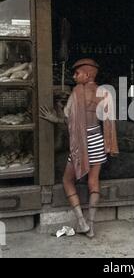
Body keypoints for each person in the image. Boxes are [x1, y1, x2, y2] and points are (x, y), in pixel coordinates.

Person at [40, 58, 119, 238]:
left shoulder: (77, 91)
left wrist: (55, 118)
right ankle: (91, 225)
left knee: (67, 181)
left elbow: (68, 119)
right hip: (98, 140)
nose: (74, 77)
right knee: (93, 181)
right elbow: (109, 122)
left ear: (88, 74)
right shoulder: (104, 93)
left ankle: (81, 221)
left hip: (81, 143)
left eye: (77, 73)